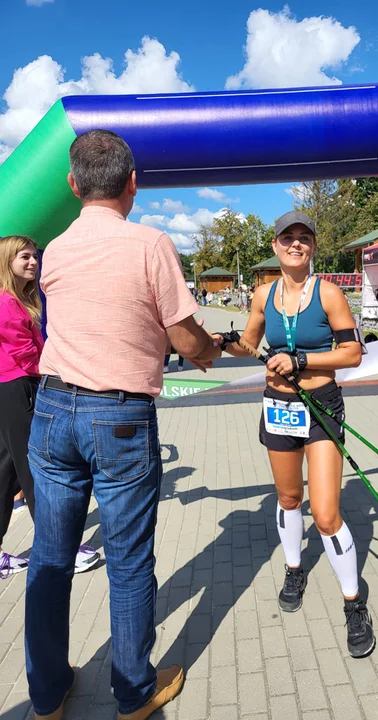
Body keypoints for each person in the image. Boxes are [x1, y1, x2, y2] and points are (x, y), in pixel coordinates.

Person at [25, 130, 221, 720]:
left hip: (53, 410)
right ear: (133, 183)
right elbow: (184, 336)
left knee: (50, 558)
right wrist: (210, 350)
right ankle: (133, 693)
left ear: (72, 183)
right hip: (120, 418)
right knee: (130, 561)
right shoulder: (151, 243)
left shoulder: (54, 249)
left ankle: (47, 693)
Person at [215, 210, 375, 658]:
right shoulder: (264, 293)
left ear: (313, 248)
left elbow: (353, 354)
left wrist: (302, 361)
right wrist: (222, 342)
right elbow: (249, 345)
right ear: (275, 246)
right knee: (288, 499)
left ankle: (353, 603)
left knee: (325, 514)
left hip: (321, 406)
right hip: (279, 407)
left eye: (305, 238)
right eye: (288, 237)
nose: (296, 244)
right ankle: (293, 569)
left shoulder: (329, 294)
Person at [0, 235, 99, 579]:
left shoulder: (16, 300)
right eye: (24, 257)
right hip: (17, 387)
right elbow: (27, 353)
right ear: (7, 262)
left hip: (11, 386)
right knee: (35, 467)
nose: (32, 261)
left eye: (33, 256)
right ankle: (59, 550)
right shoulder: (8, 304)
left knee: (7, 470)